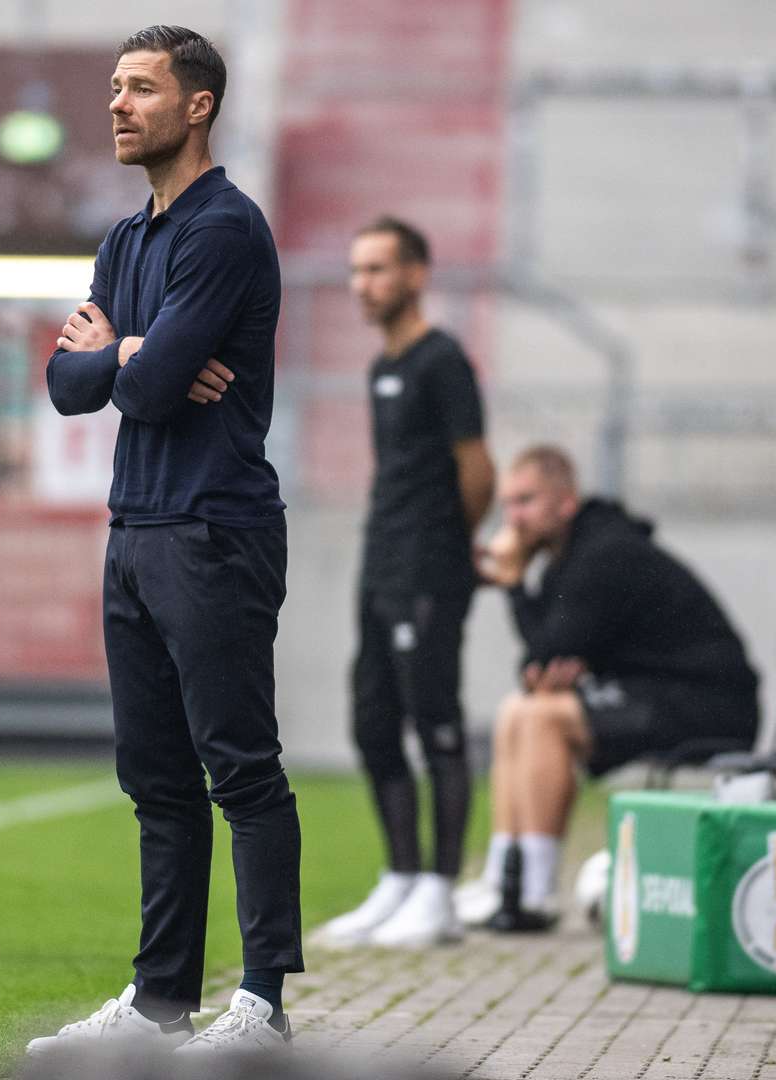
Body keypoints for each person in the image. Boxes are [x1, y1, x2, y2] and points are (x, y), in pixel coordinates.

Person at [31, 25, 300, 1063]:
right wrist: (138, 355)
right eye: (113, 87)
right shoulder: (124, 239)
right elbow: (65, 384)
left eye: (141, 88)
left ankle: (265, 1004)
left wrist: (128, 359)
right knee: (156, 779)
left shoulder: (224, 229)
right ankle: (158, 1002)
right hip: (135, 527)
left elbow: (127, 385)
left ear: (198, 106)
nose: (117, 104)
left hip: (214, 529)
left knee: (242, 769)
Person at [465, 445, 759, 930]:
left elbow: (539, 656)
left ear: (565, 503)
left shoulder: (604, 554)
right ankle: (504, 878)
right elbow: (540, 667)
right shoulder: (574, 554)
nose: (512, 519)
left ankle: (534, 894)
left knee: (540, 715)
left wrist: (515, 582)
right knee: (520, 708)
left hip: (707, 705)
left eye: (525, 501)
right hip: (658, 693)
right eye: (508, 504)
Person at [314, 217, 495, 950]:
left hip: (429, 569)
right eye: (357, 270)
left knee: (436, 724)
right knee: (371, 723)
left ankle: (440, 894)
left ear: (416, 274)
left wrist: (449, 549)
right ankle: (399, 876)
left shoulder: (442, 361)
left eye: (379, 269)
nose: (364, 285)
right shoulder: (379, 367)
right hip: (379, 564)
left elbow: (477, 469)